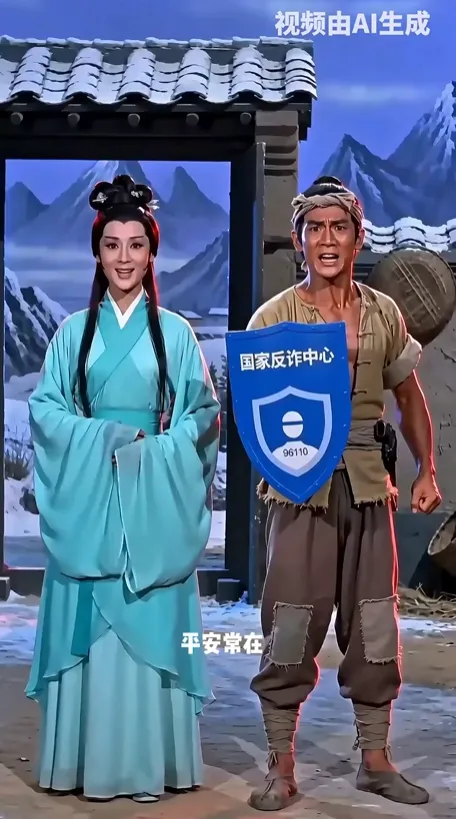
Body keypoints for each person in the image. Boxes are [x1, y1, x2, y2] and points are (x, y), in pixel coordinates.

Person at [246, 176, 441, 811]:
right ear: (299, 240)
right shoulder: (274, 318)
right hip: (300, 487)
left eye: (338, 228)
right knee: (290, 622)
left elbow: (409, 396)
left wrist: (427, 469)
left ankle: (375, 759)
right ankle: (281, 764)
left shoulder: (383, 313)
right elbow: (257, 408)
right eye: (315, 229)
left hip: (367, 483)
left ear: (358, 238)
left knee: (376, 623)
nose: (326, 240)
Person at [26, 174, 220, 802]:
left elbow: (202, 416)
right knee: (91, 612)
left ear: (152, 252)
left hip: (150, 497)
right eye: (112, 245)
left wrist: (157, 453)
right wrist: (106, 438)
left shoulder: (177, 334)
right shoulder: (72, 333)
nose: (124, 258)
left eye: (136, 244)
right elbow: (46, 411)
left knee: (149, 615)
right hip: (92, 498)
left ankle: (149, 765)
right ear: (97, 252)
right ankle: (82, 763)